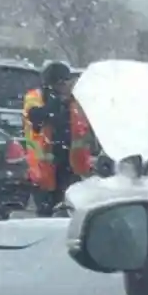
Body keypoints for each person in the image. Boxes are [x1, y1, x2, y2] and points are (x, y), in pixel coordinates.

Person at [20, 60, 102, 214]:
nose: (69, 85)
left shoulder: (75, 102)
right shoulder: (36, 97)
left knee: (69, 214)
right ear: (56, 83)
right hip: (44, 170)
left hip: (71, 168)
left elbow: (88, 130)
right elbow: (36, 116)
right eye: (65, 82)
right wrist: (56, 101)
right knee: (47, 215)